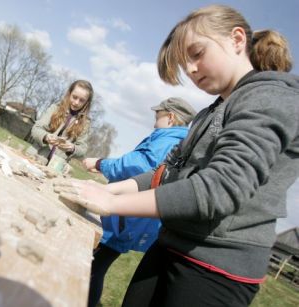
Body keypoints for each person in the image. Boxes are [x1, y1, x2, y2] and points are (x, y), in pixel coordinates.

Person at [54, 5, 298, 307]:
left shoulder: (271, 97)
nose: (191, 70)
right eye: (186, 64)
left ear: (237, 40)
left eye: (197, 54)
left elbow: (220, 188)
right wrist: (104, 190)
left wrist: (114, 204)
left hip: (216, 267)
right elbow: (165, 173)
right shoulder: (211, 111)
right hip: (171, 242)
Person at [82, 97, 196, 307]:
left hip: (126, 220)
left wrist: (100, 163)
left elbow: (137, 165)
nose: (154, 122)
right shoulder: (175, 139)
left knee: (92, 269)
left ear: (170, 117)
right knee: (97, 266)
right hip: (130, 219)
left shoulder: (167, 140)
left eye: (157, 116)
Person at [31, 80, 93, 165]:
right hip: (35, 156)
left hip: (57, 166)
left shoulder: (85, 123)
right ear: (69, 94)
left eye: (81, 100)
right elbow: (36, 129)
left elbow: (82, 149)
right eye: (74, 97)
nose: (76, 102)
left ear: (87, 102)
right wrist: (46, 136)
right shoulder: (54, 108)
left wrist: (72, 148)